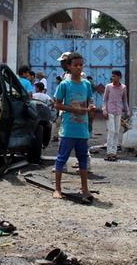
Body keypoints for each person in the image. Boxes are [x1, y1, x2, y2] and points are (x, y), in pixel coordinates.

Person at [53, 52, 95, 201]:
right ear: (69, 67)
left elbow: (90, 100)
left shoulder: (86, 84)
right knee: (61, 159)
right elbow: (56, 104)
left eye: (80, 65)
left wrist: (91, 108)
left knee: (83, 159)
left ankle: (85, 188)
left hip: (82, 130)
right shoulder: (64, 84)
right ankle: (57, 188)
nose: (78, 68)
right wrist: (74, 110)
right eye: (75, 65)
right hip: (68, 129)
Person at [102, 70, 129, 161]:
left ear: (119, 77)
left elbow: (124, 100)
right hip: (109, 112)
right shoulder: (108, 87)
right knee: (111, 131)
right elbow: (105, 100)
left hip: (118, 112)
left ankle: (114, 152)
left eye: (114, 76)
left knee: (117, 132)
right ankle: (109, 152)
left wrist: (127, 111)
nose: (112, 78)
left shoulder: (123, 87)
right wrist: (104, 110)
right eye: (112, 76)